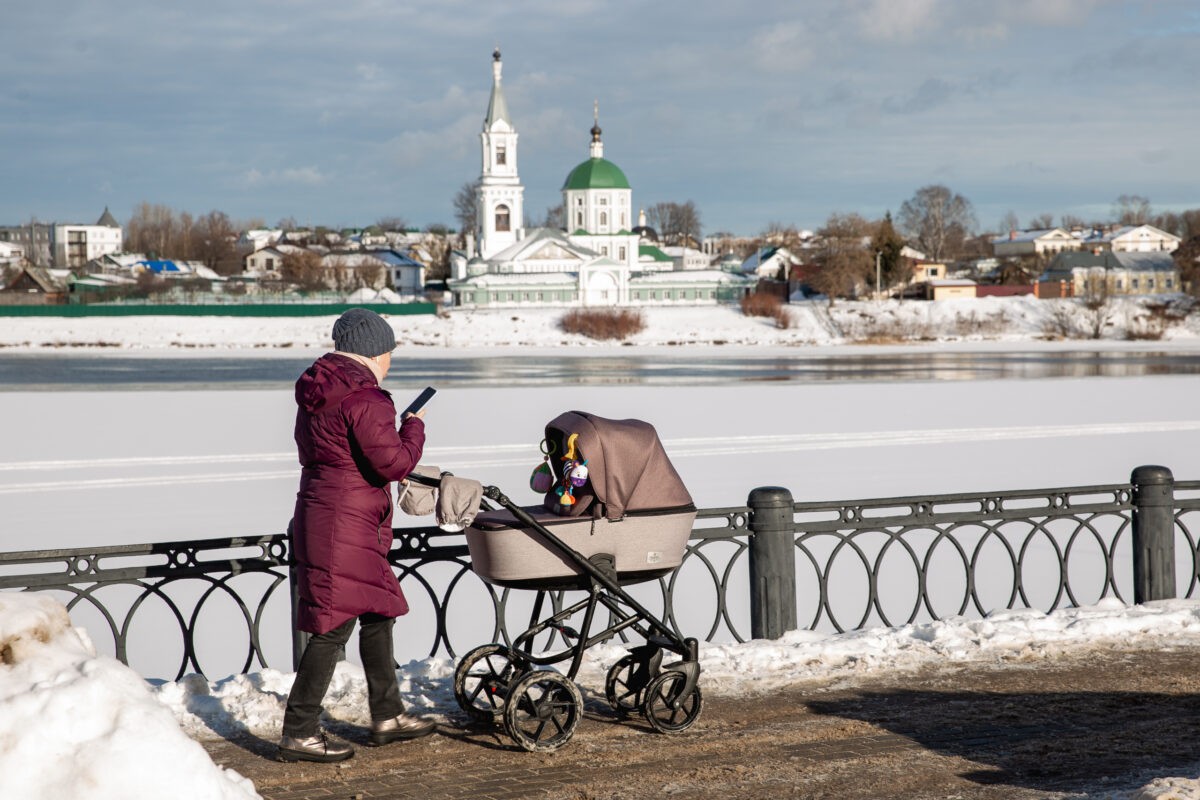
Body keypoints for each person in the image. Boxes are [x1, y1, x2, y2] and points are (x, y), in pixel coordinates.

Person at [279, 308, 435, 764]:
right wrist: (414, 425)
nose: (390, 361)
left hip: (327, 511)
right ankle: (299, 731)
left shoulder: (318, 389)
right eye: (388, 352)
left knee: (377, 610)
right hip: (346, 520)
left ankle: (387, 715)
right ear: (372, 351)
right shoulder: (366, 398)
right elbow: (394, 464)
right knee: (332, 626)